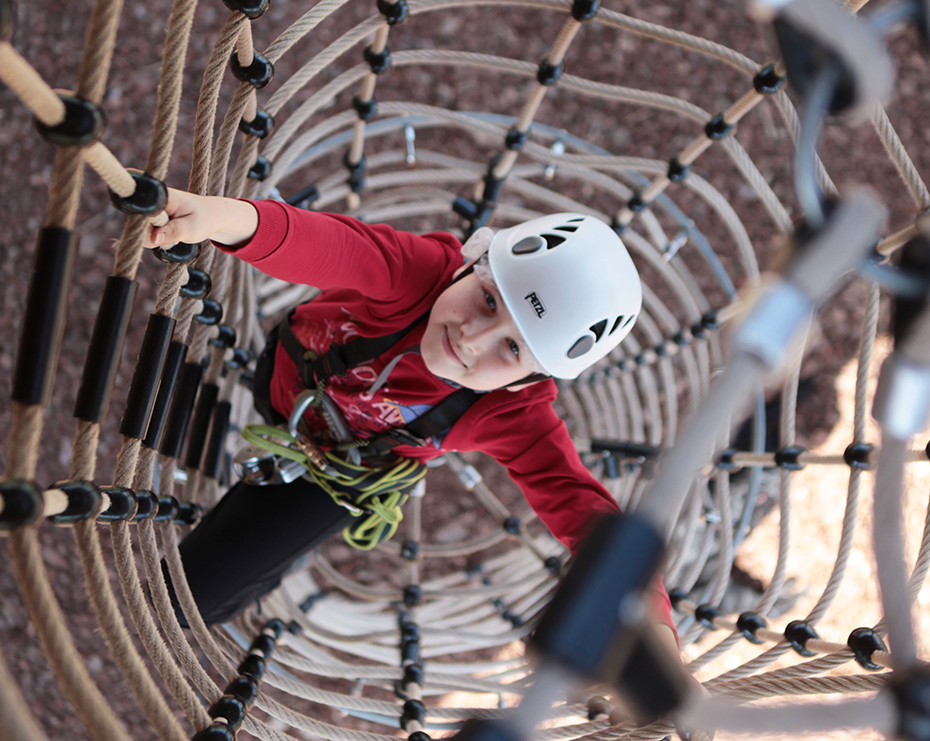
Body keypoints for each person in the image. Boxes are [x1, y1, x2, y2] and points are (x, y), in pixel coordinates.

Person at [147, 190, 678, 655]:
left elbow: (584, 511)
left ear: (527, 380)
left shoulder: (510, 414)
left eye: (513, 348)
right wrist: (224, 219)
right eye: (488, 299)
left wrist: (652, 628)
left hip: (337, 473)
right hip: (284, 380)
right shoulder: (419, 275)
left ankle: (268, 561)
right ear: (472, 265)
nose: (471, 337)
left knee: (191, 595)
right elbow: (333, 245)